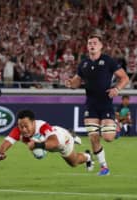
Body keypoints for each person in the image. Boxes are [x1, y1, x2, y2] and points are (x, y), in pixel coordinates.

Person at [65, 32, 129, 176]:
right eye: (90, 43)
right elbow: (76, 82)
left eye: (95, 43)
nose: (92, 45)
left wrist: (117, 89)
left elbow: (124, 78)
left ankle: (116, 126)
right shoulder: (84, 63)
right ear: (87, 47)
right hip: (91, 104)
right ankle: (104, 167)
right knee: (93, 137)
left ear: (101, 46)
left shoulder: (108, 61)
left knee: (108, 138)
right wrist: (70, 84)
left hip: (106, 103)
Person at [0, 109, 93, 170]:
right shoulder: (18, 130)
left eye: (26, 126)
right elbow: (7, 142)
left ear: (33, 123)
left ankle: (87, 156)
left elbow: (55, 142)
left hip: (63, 141)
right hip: (49, 141)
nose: (23, 129)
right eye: (21, 126)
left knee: (74, 163)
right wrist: (0, 153)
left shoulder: (42, 126)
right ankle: (72, 135)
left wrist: (37, 145)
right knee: (39, 153)